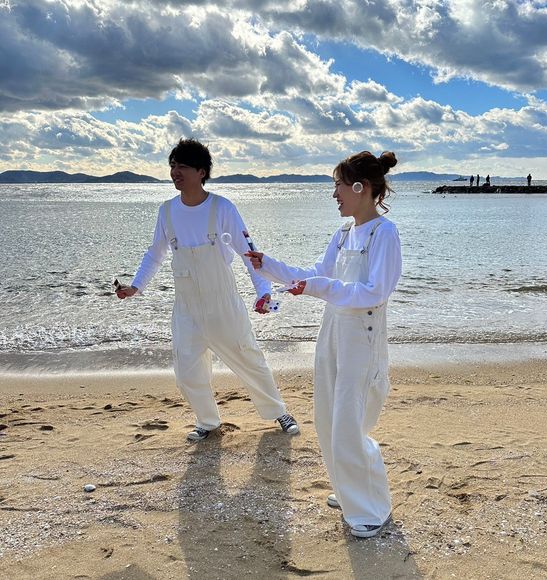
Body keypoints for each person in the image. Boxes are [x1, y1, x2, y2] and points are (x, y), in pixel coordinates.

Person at [246, 150, 402, 538]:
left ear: (360, 188)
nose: (334, 194)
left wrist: (319, 287)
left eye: (338, 185)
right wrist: (268, 265)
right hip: (332, 331)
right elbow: (315, 274)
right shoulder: (344, 234)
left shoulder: (385, 234)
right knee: (328, 417)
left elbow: (375, 292)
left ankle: (371, 508)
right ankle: (350, 490)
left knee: (350, 422)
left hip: (362, 336)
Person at [115, 138, 299, 441]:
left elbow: (249, 254)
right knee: (187, 371)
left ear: (201, 172)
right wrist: (136, 287)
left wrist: (263, 292)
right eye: (173, 166)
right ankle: (208, 421)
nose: (175, 172)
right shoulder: (167, 211)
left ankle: (278, 411)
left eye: (182, 166)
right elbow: (155, 254)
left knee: (249, 358)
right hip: (186, 308)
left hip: (223, 303)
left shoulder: (222, 208)